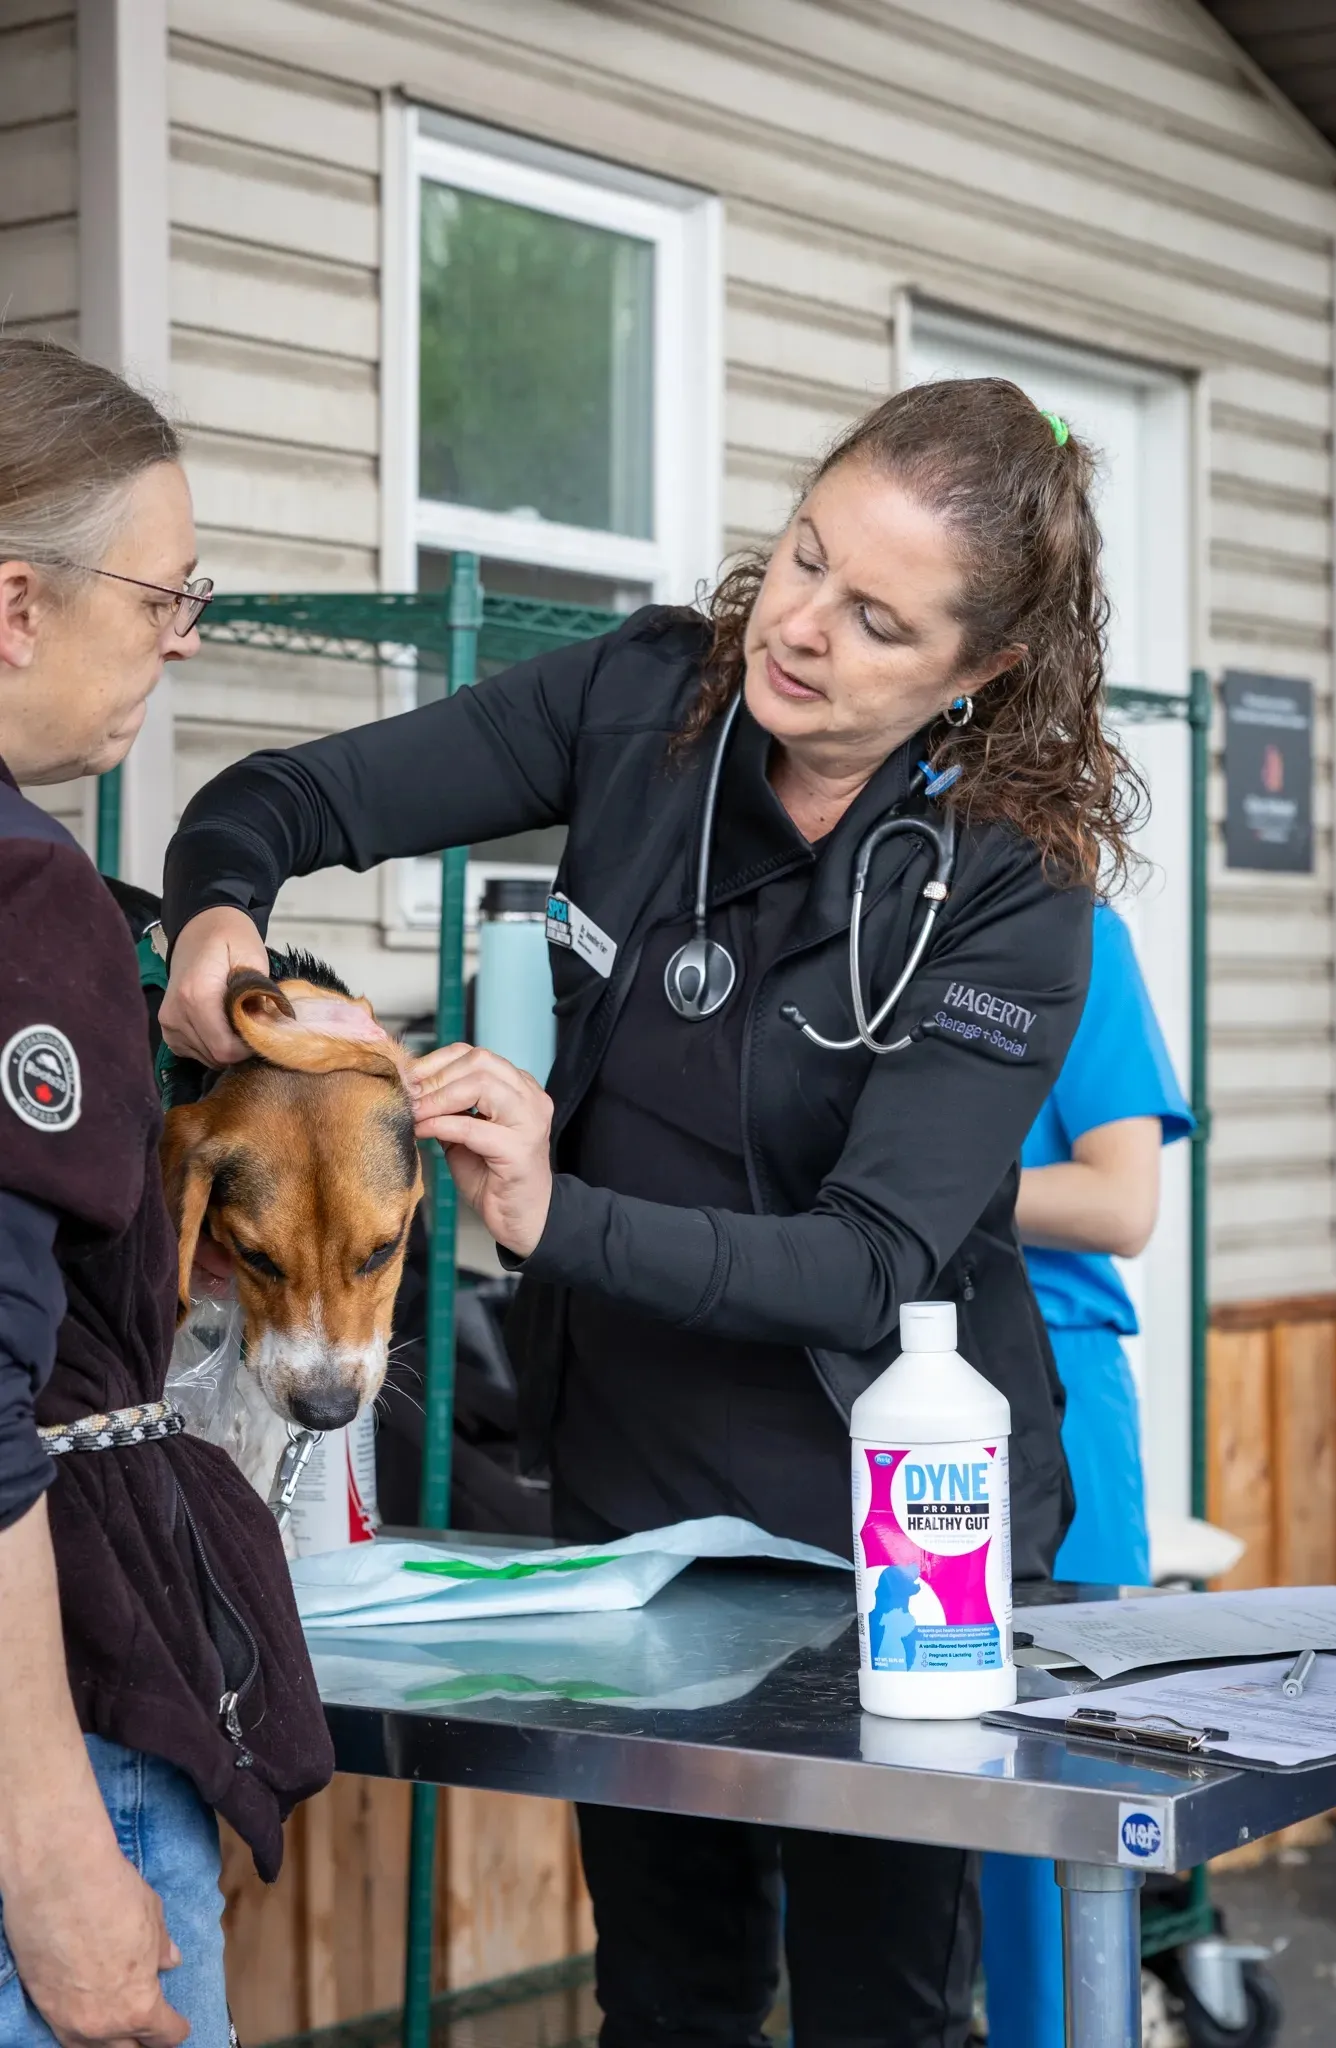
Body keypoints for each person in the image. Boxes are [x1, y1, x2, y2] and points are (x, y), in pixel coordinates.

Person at [160, 379, 1142, 2048]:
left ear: (974, 676)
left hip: (898, 1522)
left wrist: (551, 1209)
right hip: (637, 1506)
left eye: (877, 617)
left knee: (879, 2010)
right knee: (669, 1999)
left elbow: (871, 1260)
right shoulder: (644, 704)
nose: (802, 628)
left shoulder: (1008, 884)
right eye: (804, 559)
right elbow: (281, 797)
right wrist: (216, 930)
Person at [0, 338, 332, 2048]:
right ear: (15, 603)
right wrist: (57, 1848)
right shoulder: (26, 898)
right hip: (49, 1721)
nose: (179, 638)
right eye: (163, 595)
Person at [980, 899, 1194, 2048]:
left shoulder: (1071, 929)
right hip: (866, 1389)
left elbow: (1121, 1199)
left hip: (1054, 1396)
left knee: (1050, 1853)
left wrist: (912, 1182)